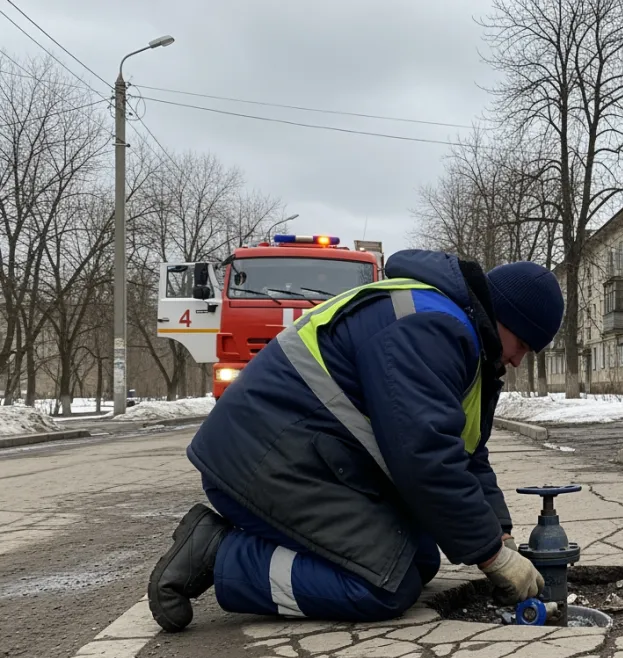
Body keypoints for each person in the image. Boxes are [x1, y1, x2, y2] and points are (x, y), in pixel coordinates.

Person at [147, 250, 564, 631]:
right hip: (259, 462)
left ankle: (257, 548)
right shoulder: (430, 328)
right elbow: (425, 455)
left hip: (302, 455)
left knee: (418, 557)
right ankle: (220, 552)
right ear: (501, 318)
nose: (517, 359)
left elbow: (467, 454)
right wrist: (491, 555)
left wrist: (500, 535)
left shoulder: (458, 335)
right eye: (522, 344)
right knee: (384, 586)